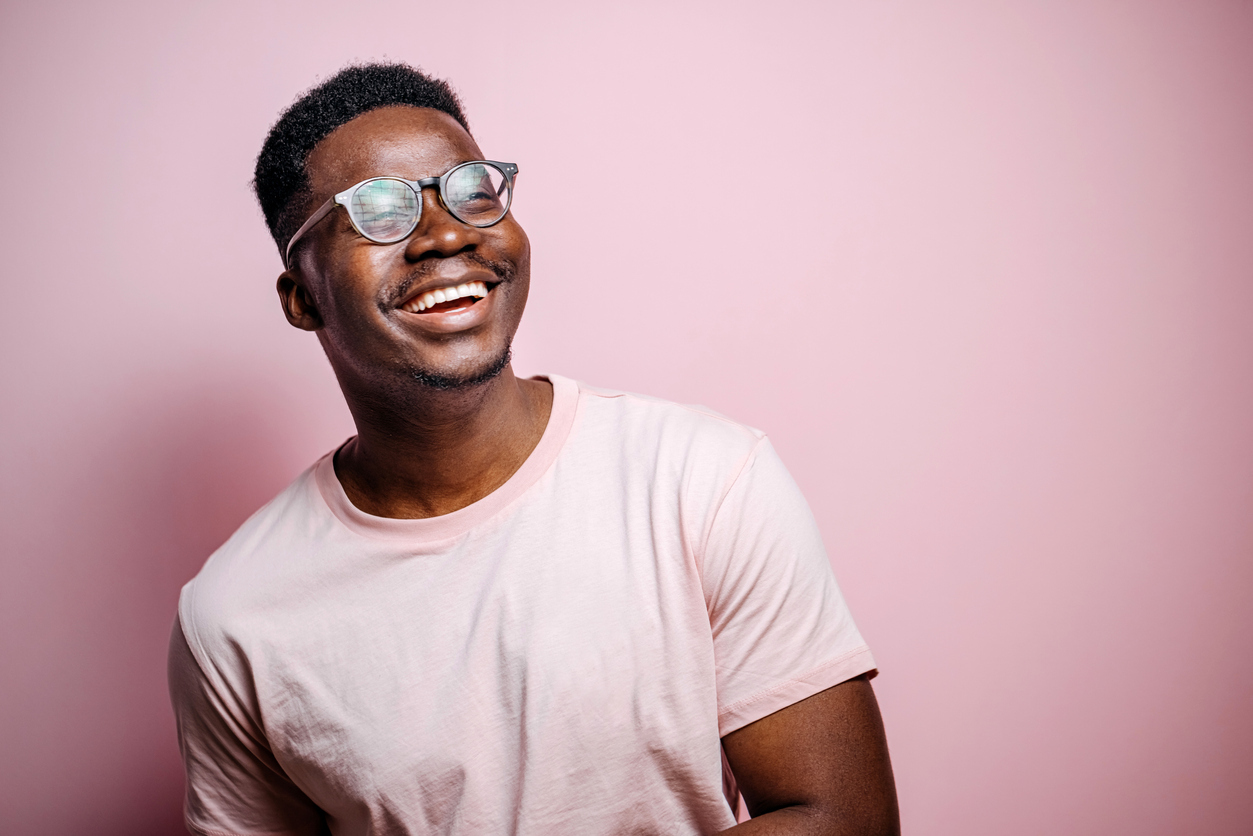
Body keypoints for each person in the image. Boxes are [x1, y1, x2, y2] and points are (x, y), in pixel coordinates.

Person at [168, 62, 900, 836]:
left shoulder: (701, 479)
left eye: (472, 192)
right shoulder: (235, 617)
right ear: (302, 296)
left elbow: (841, 818)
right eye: (379, 211)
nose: (446, 234)